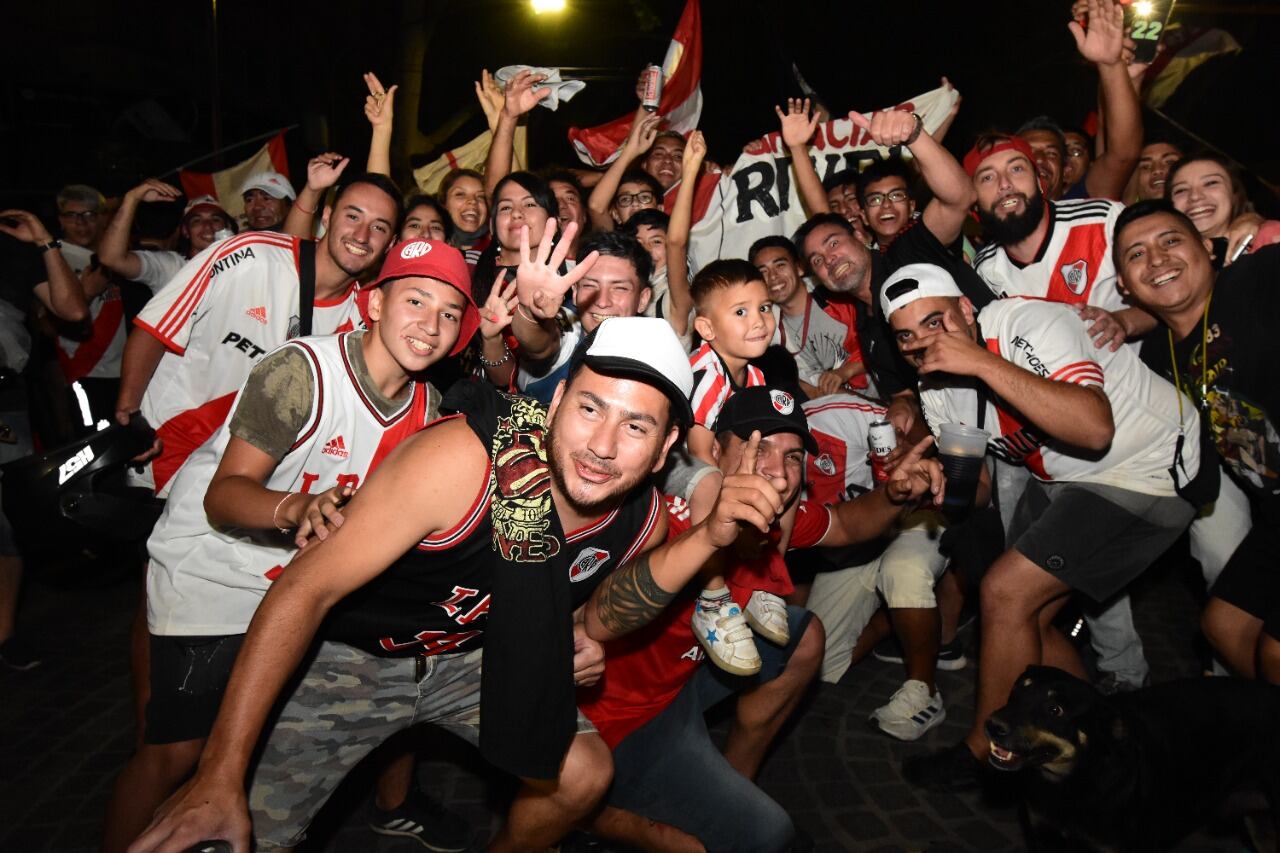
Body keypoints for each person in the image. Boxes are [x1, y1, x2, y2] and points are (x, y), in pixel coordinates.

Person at [125, 310, 798, 853]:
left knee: (584, 771)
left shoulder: (642, 517)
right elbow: (305, 587)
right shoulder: (463, 461)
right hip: (348, 662)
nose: (602, 443)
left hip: (474, 657)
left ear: (663, 447)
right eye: (590, 408)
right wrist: (219, 772)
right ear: (557, 398)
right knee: (235, 832)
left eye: (636, 425)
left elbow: (603, 611)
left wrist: (698, 548)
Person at [101, 238, 479, 853]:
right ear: (374, 304)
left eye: (447, 314)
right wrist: (298, 508)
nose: (430, 324)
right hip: (214, 567)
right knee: (176, 752)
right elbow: (223, 497)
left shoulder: (427, 408)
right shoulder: (301, 369)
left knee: (263, 750)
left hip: (301, 587)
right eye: (415, 300)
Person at [579, 386, 944, 851]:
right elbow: (597, 614)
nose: (777, 471)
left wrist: (893, 495)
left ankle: (731, 782)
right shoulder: (662, 517)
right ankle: (587, 811)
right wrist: (707, 538)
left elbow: (849, 523)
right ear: (713, 452)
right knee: (760, 838)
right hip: (624, 718)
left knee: (804, 634)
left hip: (685, 679)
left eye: (793, 457)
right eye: (758, 448)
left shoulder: (772, 517)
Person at [881, 262, 1200, 790]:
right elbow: (975, 489)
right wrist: (934, 483)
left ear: (966, 309)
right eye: (906, 336)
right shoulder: (936, 391)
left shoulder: (1025, 324)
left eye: (935, 322)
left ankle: (983, 752)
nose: (921, 344)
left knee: (1006, 591)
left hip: (1152, 468)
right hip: (1070, 481)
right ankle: (1105, 741)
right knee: (1022, 614)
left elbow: (1094, 429)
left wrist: (981, 361)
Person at [115, 172, 402, 497]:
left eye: (379, 227)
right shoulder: (249, 255)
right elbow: (155, 328)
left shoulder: (357, 326)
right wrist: (130, 413)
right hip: (161, 457)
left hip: (239, 485)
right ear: (327, 216)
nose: (362, 235)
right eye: (353, 216)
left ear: (390, 244)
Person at [1112, 200, 1279, 681]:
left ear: (1210, 248)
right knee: (1224, 627)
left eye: (1170, 241)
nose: (1158, 259)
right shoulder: (1152, 361)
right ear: (1124, 284)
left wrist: (1263, 223)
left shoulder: (1256, 280)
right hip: (1274, 518)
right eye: (1136, 254)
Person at [0, 216, 90, 670]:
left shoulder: (10, 248)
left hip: (3, 402)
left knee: (6, 524)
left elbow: (74, 311)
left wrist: (43, 242)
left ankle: (4, 637)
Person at [749, 235, 865, 399]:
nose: (773, 277)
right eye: (763, 272)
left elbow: (882, 348)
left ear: (799, 268)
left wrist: (847, 371)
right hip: (831, 411)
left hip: (882, 400)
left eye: (780, 265)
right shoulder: (766, 329)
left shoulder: (837, 298)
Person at [1166, 152, 1280, 267]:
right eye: (1181, 190)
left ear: (1234, 194)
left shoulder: (1269, 238)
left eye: (1211, 183)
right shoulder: (1163, 261)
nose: (1195, 196)